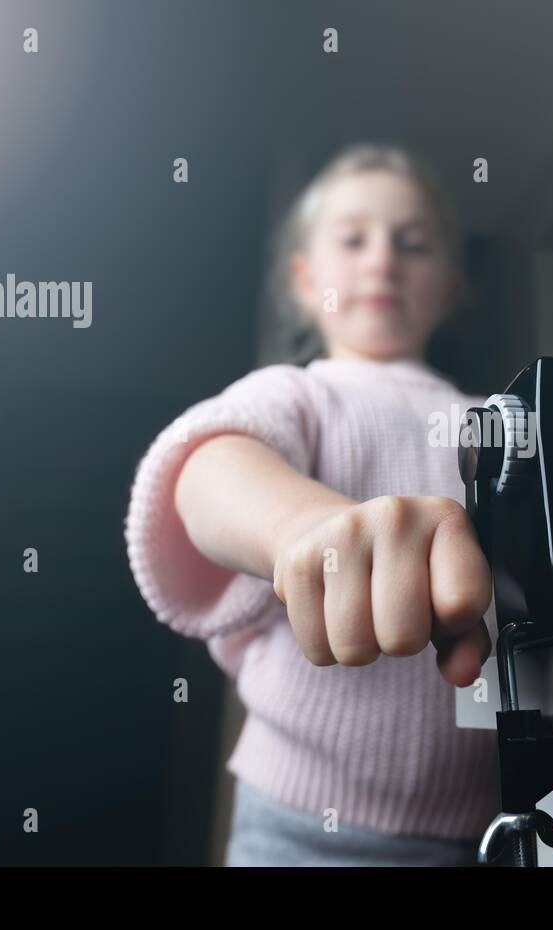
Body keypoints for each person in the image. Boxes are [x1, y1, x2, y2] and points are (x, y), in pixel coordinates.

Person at [124, 143, 502, 866]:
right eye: (353, 239)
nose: (382, 261)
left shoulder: (501, 418)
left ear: (450, 286)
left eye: (413, 243)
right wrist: (304, 524)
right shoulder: (296, 394)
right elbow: (210, 466)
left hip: (484, 831)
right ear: (304, 281)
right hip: (298, 827)